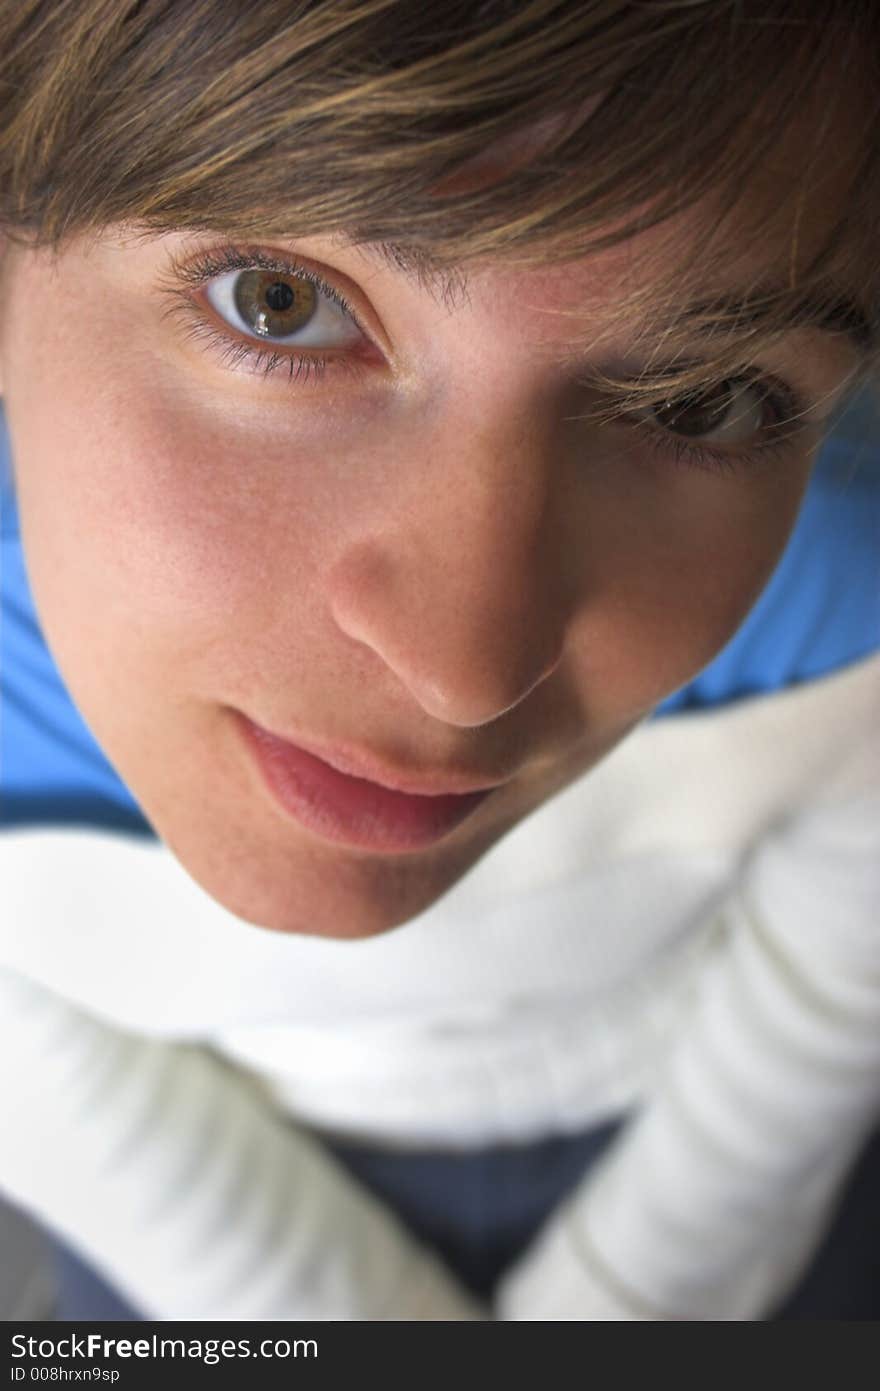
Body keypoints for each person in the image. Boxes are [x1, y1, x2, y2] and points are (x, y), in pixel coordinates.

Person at [0, 0, 878, 1321]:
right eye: (280, 303)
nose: (465, 674)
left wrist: (629, 1302)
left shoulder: (847, 594)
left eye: (705, 400)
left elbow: (840, 963)